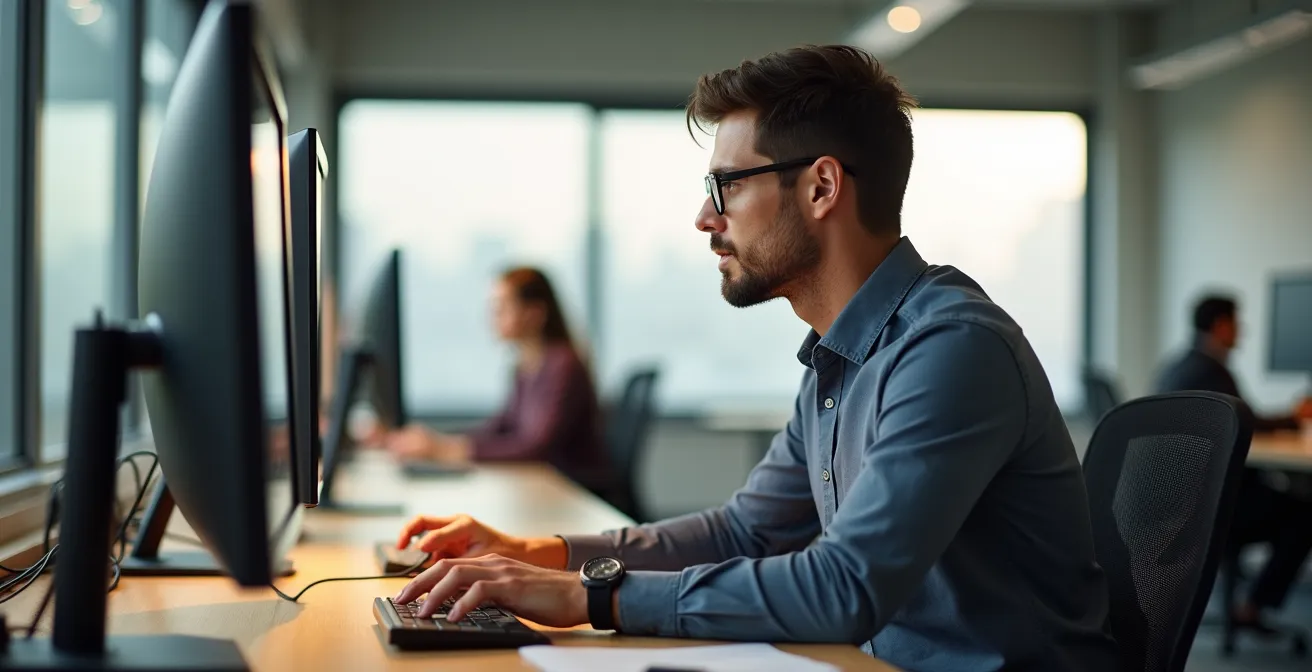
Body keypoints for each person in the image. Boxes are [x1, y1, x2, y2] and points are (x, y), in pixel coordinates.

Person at [390, 45, 1119, 671]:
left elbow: (845, 588)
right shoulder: (842, 362)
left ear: (822, 186)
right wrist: (539, 553)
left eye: (726, 186)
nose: (706, 218)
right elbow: (744, 532)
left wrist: (592, 596)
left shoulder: (952, 349)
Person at [1155, 294, 1312, 631]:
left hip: (1179, 502)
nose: (1242, 331)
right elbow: (1244, 421)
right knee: (1305, 513)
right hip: (1214, 505)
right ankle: (1253, 607)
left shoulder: (1178, 367)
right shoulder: (1211, 372)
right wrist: (1294, 417)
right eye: (1237, 324)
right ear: (1222, 325)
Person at [384, 267, 608, 487]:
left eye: (501, 309)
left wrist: (447, 449)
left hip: (573, 491)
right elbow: (501, 426)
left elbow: (535, 447)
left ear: (534, 313)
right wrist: (439, 441)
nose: (491, 318)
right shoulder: (524, 366)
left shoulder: (563, 366)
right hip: (540, 485)